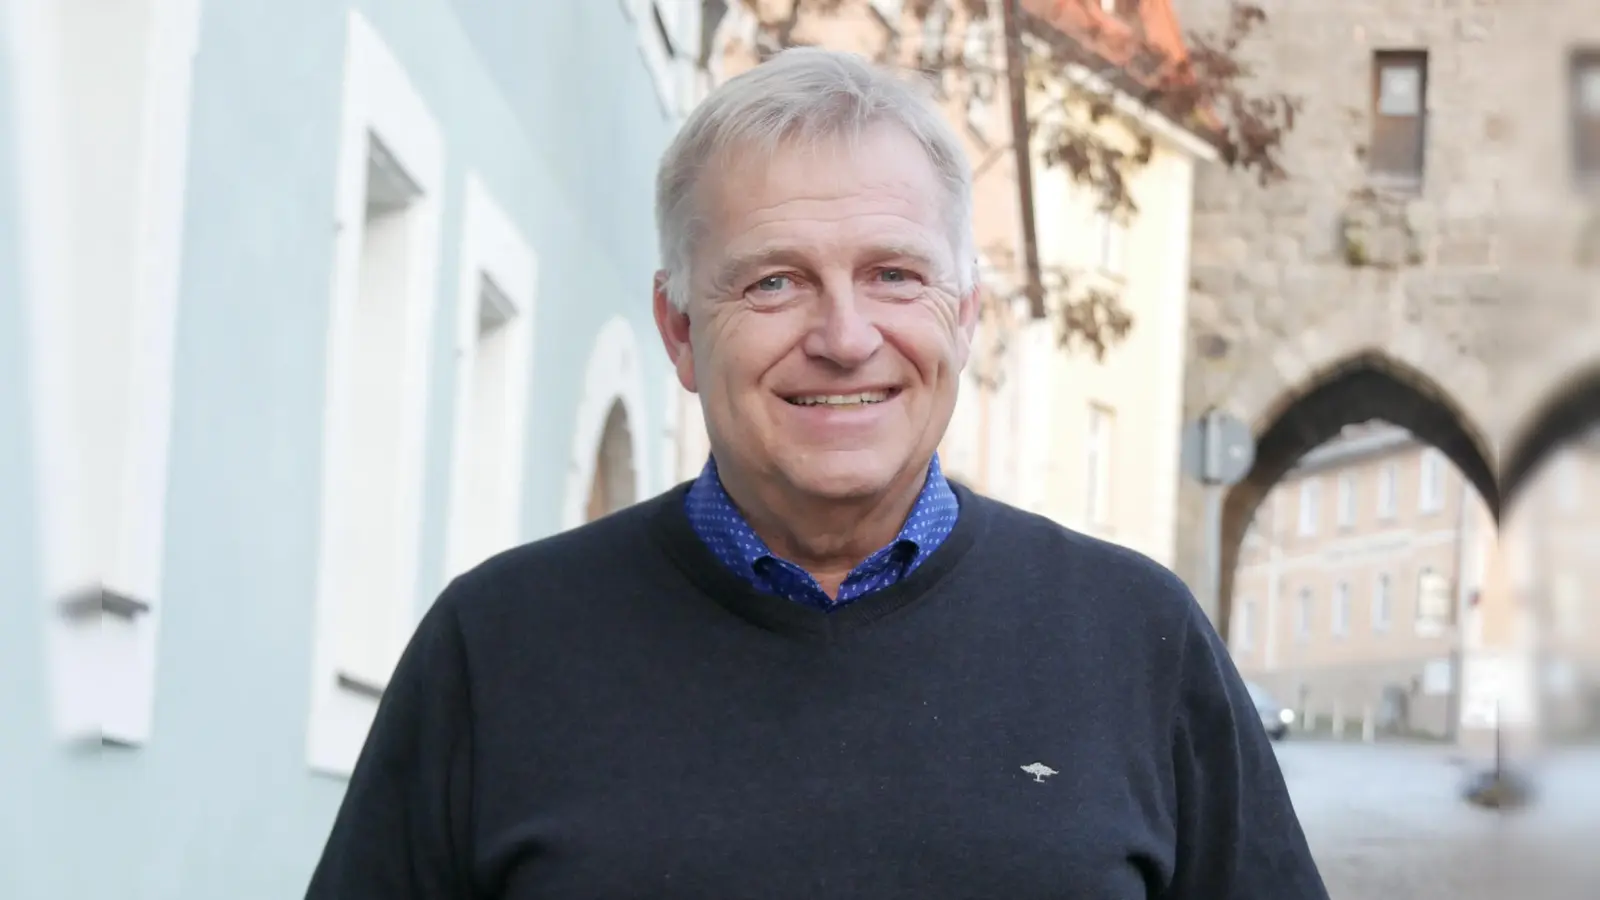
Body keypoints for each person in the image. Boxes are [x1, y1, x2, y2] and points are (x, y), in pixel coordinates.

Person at [305, 47, 1329, 899]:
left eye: (894, 275)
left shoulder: (1138, 642)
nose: (844, 337)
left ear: (965, 317)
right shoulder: (498, 647)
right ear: (679, 329)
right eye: (774, 282)